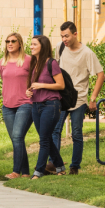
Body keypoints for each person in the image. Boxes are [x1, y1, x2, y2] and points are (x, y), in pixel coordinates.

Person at [47, 21, 105, 175]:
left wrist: (93, 98)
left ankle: (74, 167)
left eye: (66, 36)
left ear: (75, 34)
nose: (64, 39)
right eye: (62, 36)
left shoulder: (87, 53)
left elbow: (100, 75)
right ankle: (54, 163)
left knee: (77, 133)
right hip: (61, 97)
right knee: (55, 130)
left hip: (79, 98)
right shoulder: (60, 48)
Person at [25, 35, 67, 180]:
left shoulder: (51, 63)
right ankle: (60, 167)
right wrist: (28, 91)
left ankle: (39, 172)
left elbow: (61, 85)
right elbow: (33, 85)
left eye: (34, 44)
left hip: (51, 104)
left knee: (43, 140)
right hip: (36, 105)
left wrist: (41, 85)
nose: (31, 47)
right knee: (46, 138)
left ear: (42, 46)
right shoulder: (33, 63)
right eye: (30, 44)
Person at [0, 32, 33, 180]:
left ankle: (16, 172)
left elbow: (36, 79)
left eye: (13, 41)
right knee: (16, 139)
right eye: (7, 41)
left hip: (25, 104)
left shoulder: (28, 60)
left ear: (20, 43)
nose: (10, 43)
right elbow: (5, 80)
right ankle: (25, 173)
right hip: (7, 105)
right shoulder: (3, 62)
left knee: (18, 136)